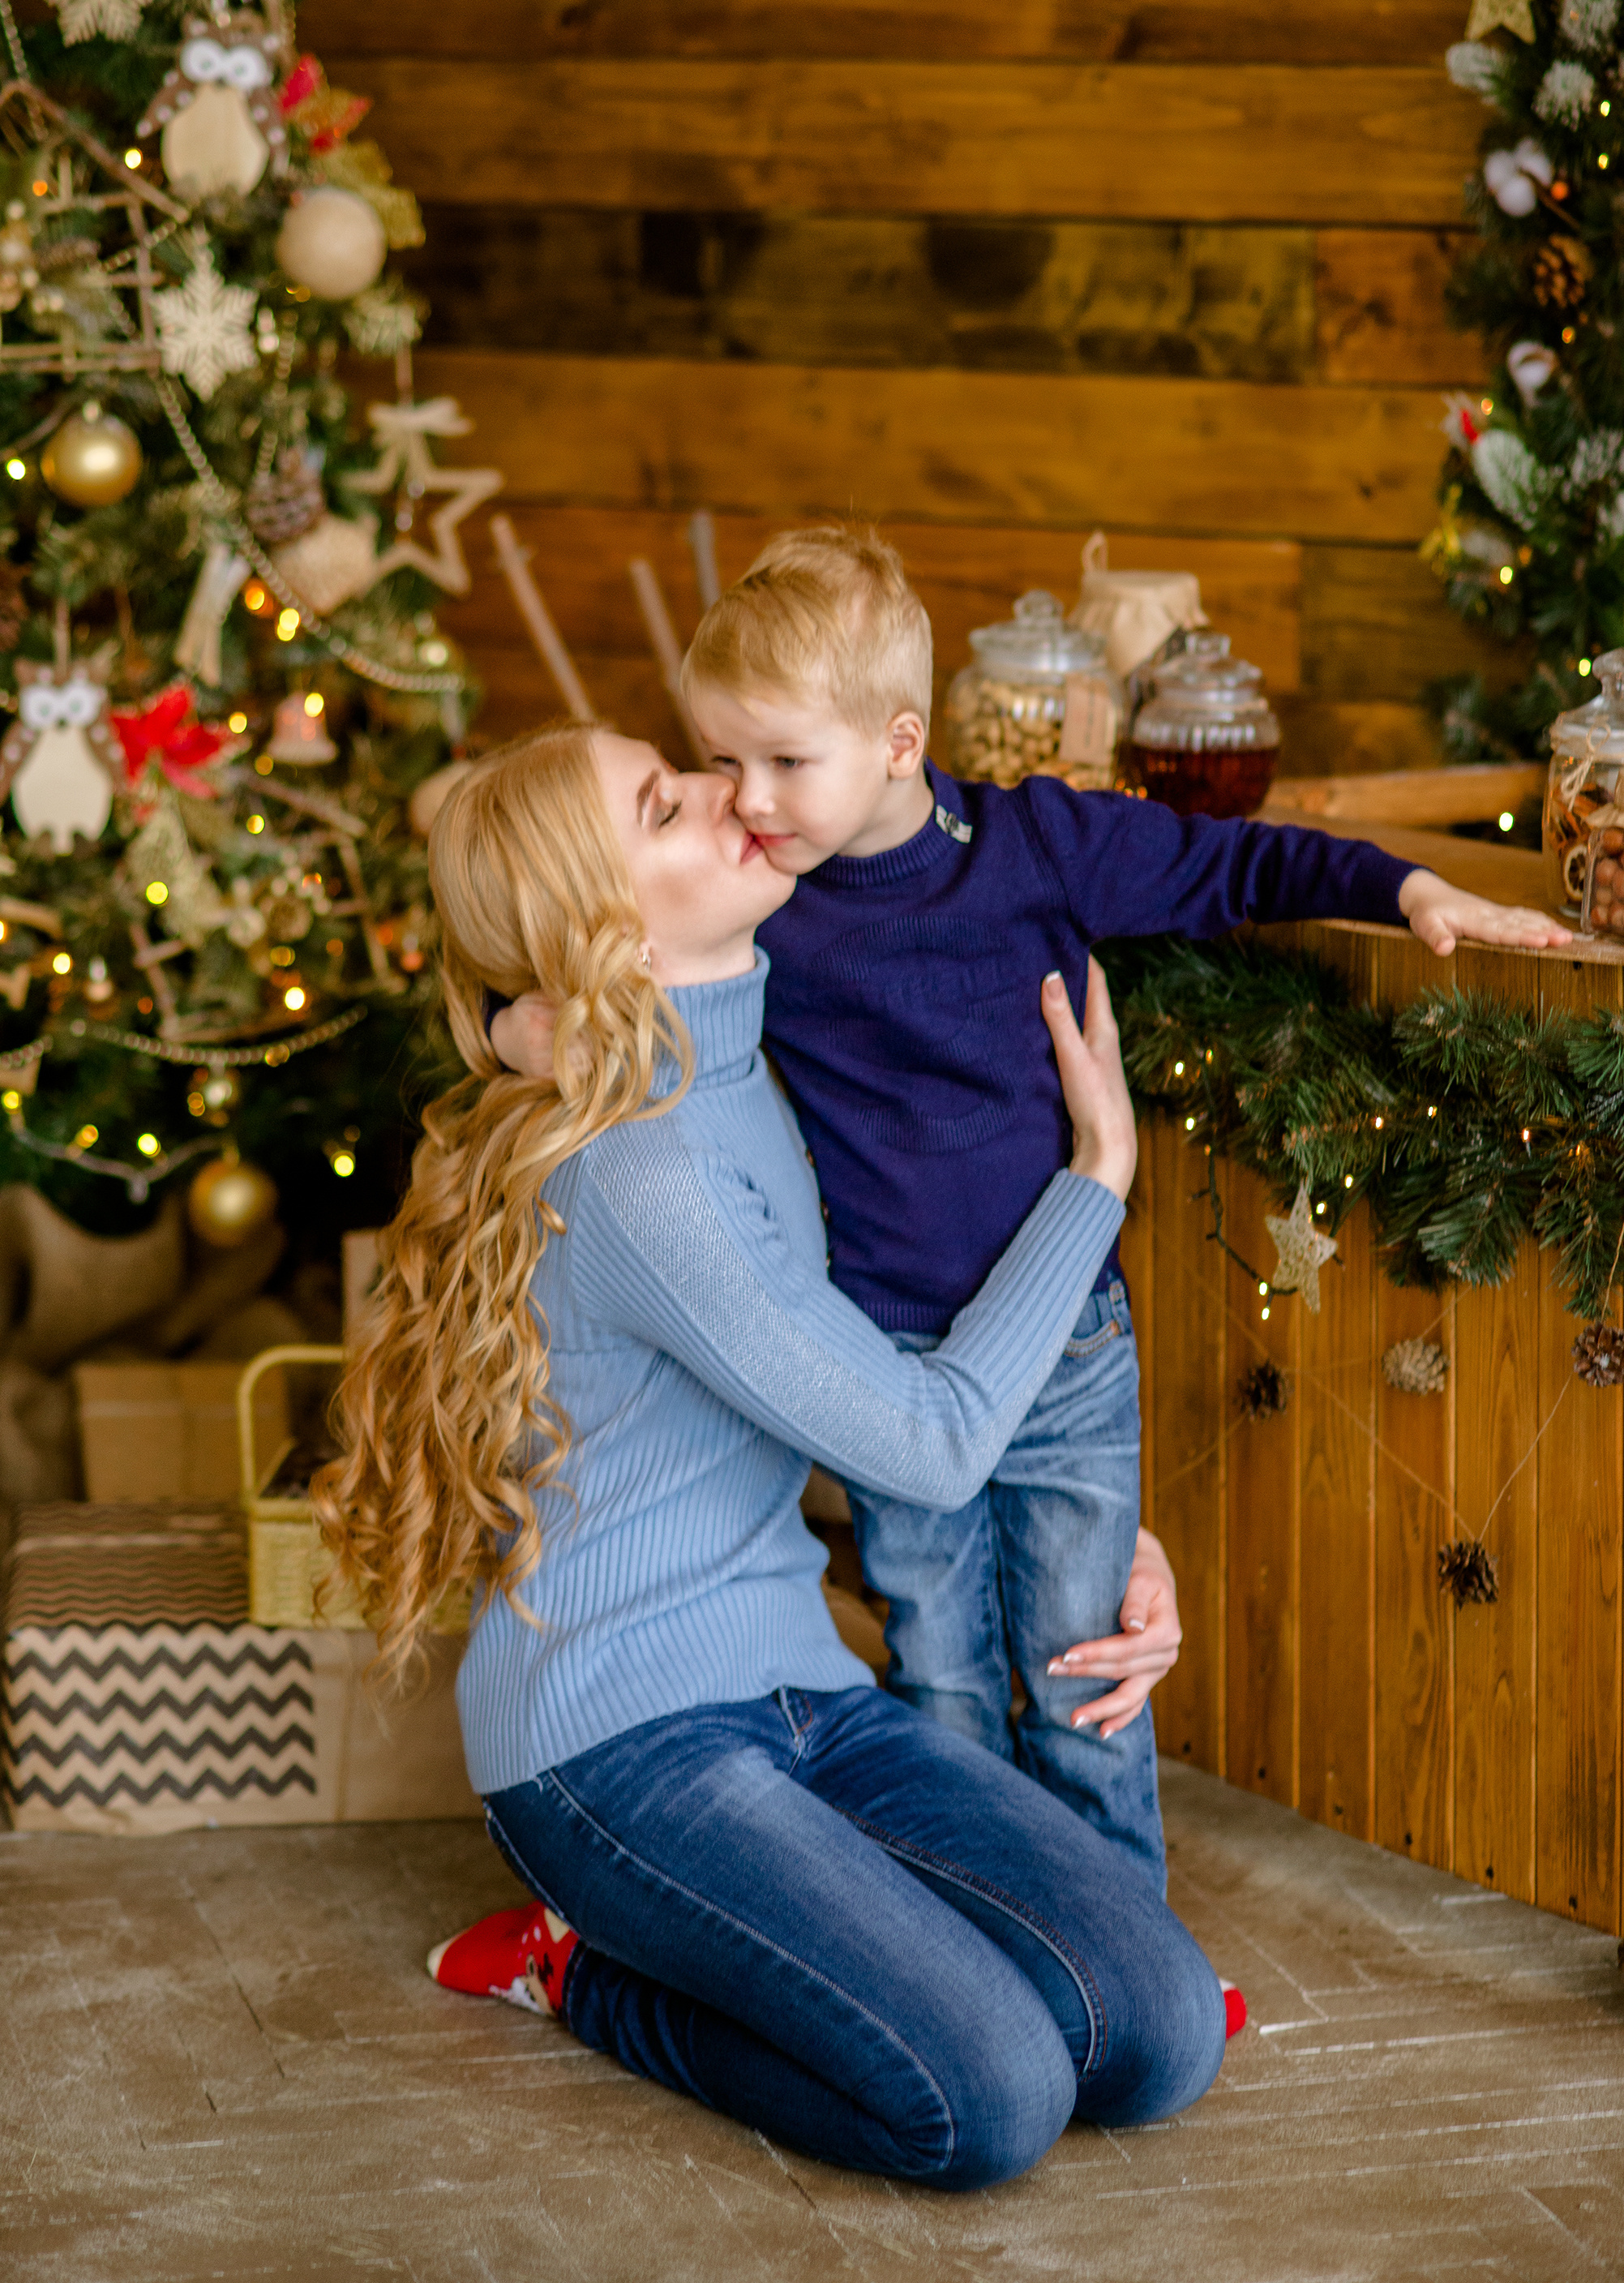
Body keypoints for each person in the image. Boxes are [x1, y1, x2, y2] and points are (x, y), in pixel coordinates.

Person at [491, 526, 1570, 1895]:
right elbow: (593, 946)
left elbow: (1234, 864)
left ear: (897, 739)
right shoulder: (770, 906)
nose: (746, 801)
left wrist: (1404, 884)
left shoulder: (1035, 848)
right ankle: (975, 1920)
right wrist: (502, 1024)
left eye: (780, 763)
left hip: (1061, 1355)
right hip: (891, 1363)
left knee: (1085, 1667)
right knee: (938, 1678)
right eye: (720, 764)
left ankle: (1122, 1931)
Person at [315, 723, 1228, 2191]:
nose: (736, 797)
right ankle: (578, 1975)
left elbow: (899, 1353)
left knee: (1163, 2034)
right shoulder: (642, 1167)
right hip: (619, 1748)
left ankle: (857, 1963)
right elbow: (929, 1442)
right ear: (597, 931)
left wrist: (1107, 1525)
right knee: (984, 2103)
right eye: (670, 806)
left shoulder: (764, 1035)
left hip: (803, 1691)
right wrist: (1096, 1179)